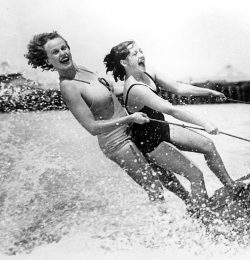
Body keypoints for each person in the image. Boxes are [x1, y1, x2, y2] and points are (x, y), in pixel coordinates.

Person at [24, 31, 190, 204]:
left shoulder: (83, 69)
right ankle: (165, 229)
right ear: (46, 60)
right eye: (55, 52)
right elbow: (92, 127)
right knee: (154, 188)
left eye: (63, 48)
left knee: (166, 175)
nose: (63, 53)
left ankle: (193, 208)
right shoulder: (69, 87)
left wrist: (143, 91)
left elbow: (110, 94)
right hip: (116, 142)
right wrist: (129, 119)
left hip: (132, 129)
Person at [104, 40, 250, 212]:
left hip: (162, 129)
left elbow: (179, 88)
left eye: (141, 51)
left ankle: (231, 186)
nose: (141, 55)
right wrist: (205, 123)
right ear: (124, 62)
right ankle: (204, 218)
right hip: (150, 143)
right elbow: (171, 109)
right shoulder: (135, 88)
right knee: (196, 176)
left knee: (208, 146)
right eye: (135, 54)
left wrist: (209, 92)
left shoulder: (149, 72)